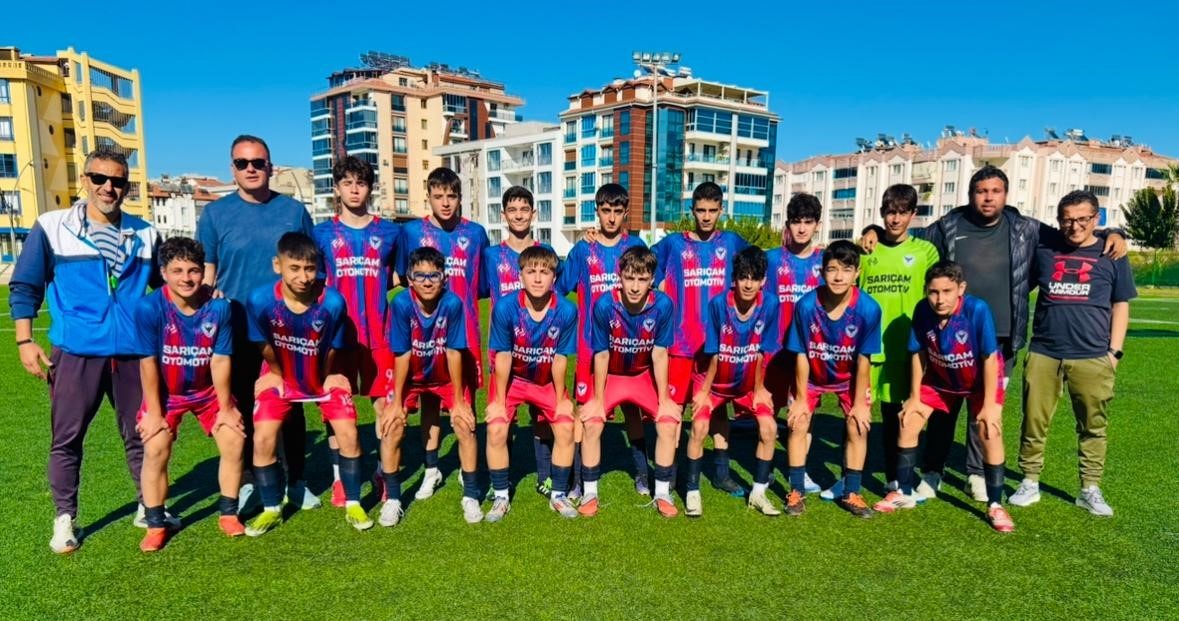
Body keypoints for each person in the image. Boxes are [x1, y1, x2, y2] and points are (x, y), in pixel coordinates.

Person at [861, 165, 1126, 502]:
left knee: (983, 409)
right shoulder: (948, 226)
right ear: (971, 194)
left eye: (995, 191)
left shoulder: (1026, 228)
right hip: (947, 334)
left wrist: (1113, 232)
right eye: (981, 191)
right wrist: (872, 229)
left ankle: (975, 473)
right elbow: (902, 235)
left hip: (1001, 336)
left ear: (1005, 194)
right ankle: (932, 471)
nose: (988, 197)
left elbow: (1072, 232)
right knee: (942, 408)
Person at [10, 149, 165, 554]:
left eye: (118, 181)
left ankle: (148, 506)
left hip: (133, 352)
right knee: (67, 438)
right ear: (84, 180)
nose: (108, 187)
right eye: (99, 178)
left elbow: (167, 287)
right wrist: (25, 341)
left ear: (127, 186)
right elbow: (25, 286)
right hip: (77, 350)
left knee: (141, 433)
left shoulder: (146, 233)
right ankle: (65, 517)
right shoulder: (52, 226)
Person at [196, 135, 317, 511]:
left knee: (292, 403)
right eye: (242, 163)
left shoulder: (293, 211)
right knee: (244, 403)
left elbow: (312, 266)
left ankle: (297, 480)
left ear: (270, 167)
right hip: (235, 325)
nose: (251, 169)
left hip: (287, 326)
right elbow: (208, 270)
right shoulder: (215, 214)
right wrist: (206, 300)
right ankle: (251, 478)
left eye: (258, 162)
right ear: (232, 168)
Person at [1009, 190, 1135, 517]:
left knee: (1093, 426)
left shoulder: (1113, 253)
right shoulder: (1045, 249)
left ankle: (1089, 488)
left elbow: (1121, 304)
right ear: (1059, 220)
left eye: (1082, 219)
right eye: (1067, 220)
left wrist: (1114, 352)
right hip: (1044, 353)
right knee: (1033, 422)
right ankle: (1029, 481)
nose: (1074, 226)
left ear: (1096, 219)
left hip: (1093, 355)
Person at [242, 233, 371, 535]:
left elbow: (334, 345)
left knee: (349, 432)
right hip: (280, 376)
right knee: (263, 437)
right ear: (278, 266)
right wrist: (277, 373)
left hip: (321, 377)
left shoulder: (332, 302)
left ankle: (353, 502)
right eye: (295, 268)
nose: (303, 277)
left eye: (310, 269)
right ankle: (272, 509)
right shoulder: (260, 300)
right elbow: (262, 343)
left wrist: (326, 376)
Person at [872, 260, 1014, 532]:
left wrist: (989, 405)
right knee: (909, 420)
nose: (939, 299)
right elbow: (918, 353)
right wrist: (914, 397)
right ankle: (903, 492)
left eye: (947, 291)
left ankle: (996, 505)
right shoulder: (922, 310)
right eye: (933, 292)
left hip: (980, 381)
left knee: (989, 430)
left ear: (961, 288)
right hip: (941, 379)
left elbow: (989, 358)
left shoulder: (977, 310)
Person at [133, 237, 246, 551]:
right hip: (167, 395)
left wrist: (226, 408)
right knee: (155, 447)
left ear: (203, 272)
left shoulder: (219, 308)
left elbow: (220, 360)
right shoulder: (149, 308)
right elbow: (147, 363)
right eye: (177, 271)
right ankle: (156, 524)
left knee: (234, 439)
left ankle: (229, 513)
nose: (186, 278)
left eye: (194, 270)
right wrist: (154, 413)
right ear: (163, 273)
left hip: (207, 392)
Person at [393, 167, 488, 499]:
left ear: (460, 198)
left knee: (464, 403)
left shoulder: (476, 233)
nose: (445, 203)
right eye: (438, 196)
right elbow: (403, 278)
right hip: (422, 335)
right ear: (429, 197)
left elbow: (483, 285)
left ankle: (466, 470)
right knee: (429, 405)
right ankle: (432, 470)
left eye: (451, 196)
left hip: (465, 335)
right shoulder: (410, 233)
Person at [311, 156, 399, 506]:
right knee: (336, 410)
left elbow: (398, 275)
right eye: (347, 183)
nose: (354, 190)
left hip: (380, 336)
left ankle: (382, 471)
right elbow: (314, 284)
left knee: (384, 407)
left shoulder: (389, 232)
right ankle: (339, 478)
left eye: (360, 183)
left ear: (370, 188)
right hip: (337, 338)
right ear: (336, 189)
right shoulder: (321, 234)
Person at [651, 181, 748, 495]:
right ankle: (671, 473)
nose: (706, 217)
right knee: (675, 409)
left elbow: (761, 264)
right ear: (691, 210)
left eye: (712, 210)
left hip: (718, 345)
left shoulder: (732, 242)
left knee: (718, 409)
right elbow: (639, 260)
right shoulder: (673, 245)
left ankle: (721, 472)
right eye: (701, 210)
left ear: (721, 210)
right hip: (680, 344)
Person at [555, 184, 648, 497]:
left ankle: (643, 474)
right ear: (597, 211)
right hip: (591, 346)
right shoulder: (584, 249)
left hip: (629, 345)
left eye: (617, 211)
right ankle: (578, 481)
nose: (611, 218)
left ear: (625, 213)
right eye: (606, 211)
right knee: (584, 411)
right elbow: (561, 289)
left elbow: (649, 287)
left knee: (632, 410)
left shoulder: (635, 245)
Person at [852, 184, 940, 498]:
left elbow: (936, 298)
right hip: (869, 348)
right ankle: (852, 478)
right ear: (881, 213)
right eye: (890, 212)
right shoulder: (867, 251)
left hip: (908, 348)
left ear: (913, 215)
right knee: (859, 412)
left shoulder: (926, 252)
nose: (895, 219)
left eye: (902, 212)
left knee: (901, 415)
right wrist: (869, 231)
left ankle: (898, 479)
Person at [579, 247, 681, 518]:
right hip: (612, 375)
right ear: (620, 277)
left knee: (668, 421)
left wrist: (665, 399)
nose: (635, 287)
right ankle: (589, 492)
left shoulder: (663, 305)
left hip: (641, 375)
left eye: (642, 279)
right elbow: (601, 355)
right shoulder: (604, 305)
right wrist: (597, 400)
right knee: (592, 422)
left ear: (652, 280)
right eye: (629, 278)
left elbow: (659, 354)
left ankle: (662, 493)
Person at [783, 241, 882, 519]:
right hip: (811, 376)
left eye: (846, 270)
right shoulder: (806, 306)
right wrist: (800, 399)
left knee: (858, 426)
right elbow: (801, 354)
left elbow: (864, 359)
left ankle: (852, 491)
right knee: (798, 421)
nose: (839, 277)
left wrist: (860, 404)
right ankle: (796, 490)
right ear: (821, 272)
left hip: (848, 378)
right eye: (832, 269)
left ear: (857, 273)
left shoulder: (869, 309)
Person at [383, 247, 480, 524]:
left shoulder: (453, 303)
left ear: (444, 278)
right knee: (392, 425)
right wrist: (396, 403)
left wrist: (458, 402)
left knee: (464, 424)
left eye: (434, 275)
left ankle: (470, 495)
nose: (427, 282)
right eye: (420, 275)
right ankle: (393, 499)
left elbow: (453, 351)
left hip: (445, 375)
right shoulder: (401, 303)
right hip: (412, 376)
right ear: (409, 279)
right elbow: (402, 354)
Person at [484, 246, 579, 521]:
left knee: (565, 426)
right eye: (531, 272)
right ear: (520, 276)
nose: (537, 278)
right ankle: (501, 496)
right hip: (513, 380)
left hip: (545, 381)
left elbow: (560, 358)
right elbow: (503, 357)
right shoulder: (505, 307)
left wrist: (561, 399)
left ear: (554, 277)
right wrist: (499, 401)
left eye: (545, 272)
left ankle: (558, 494)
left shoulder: (566, 310)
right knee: (497, 427)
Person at [685, 247, 781, 517]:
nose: (748, 284)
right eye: (743, 277)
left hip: (746, 383)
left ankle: (758, 494)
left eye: (754, 278)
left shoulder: (770, 304)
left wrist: (759, 388)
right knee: (699, 427)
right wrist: (704, 392)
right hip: (713, 382)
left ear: (763, 281)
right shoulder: (719, 304)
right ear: (733, 279)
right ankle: (692, 492)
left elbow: (762, 351)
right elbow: (715, 353)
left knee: (769, 428)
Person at [481, 185, 557, 497]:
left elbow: (557, 295)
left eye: (524, 209)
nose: (519, 215)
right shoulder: (491, 256)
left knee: (541, 417)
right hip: (504, 349)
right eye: (512, 210)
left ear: (533, 213)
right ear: (504, 215)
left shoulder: (545, 253)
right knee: (503, 417)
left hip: (540, 349)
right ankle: (501, 481)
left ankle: (546, 477)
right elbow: (480, 291)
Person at [764, 193, 826, 495]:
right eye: (796, 222)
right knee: (768, 413)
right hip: (775, 350)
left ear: (817, 225)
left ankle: (797, 472)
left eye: (808, 222)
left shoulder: (826, 262)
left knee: (804, 415)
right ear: (787, 224)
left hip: (810, 353)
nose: (802, 228)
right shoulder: (772, 259)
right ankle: (763, 469)